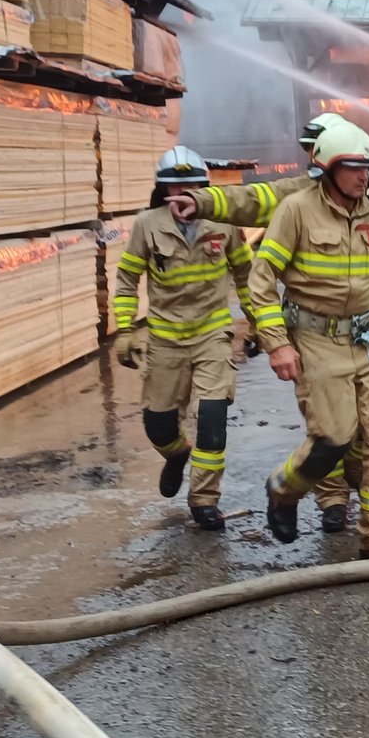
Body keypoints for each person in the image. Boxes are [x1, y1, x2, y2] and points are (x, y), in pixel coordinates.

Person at [166, 111, 360, 534]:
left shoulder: (368, 196)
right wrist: (201, 201)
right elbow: (250, 201)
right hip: (315, 333)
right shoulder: (298, 195)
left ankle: (357, 499)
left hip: (365, 333)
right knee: (328, 425)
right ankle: (332, 499)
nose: (310, 157)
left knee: (366, 430)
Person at [248, 120, 369, 558]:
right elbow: (261, 280)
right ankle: (283, 489)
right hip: (317, 341)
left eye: (368, 169)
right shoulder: (296, 210)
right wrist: (277, 343)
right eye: (354, 168)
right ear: (327, 168)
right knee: (333, 440)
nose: (364, 177)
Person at [114, 147, 252, 531]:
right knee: (158, 427)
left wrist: (258, 323)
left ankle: (204, 499)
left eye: (192, 185)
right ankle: (176, 455)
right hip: (165, 340)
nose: (183, 193)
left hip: (213, 335)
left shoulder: (223, 223)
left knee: (212, 418)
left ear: (204, 187)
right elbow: (126, 280)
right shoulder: (147, 225)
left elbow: (246, 274)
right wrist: (125, 329)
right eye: (175, 187)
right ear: (163, 189)